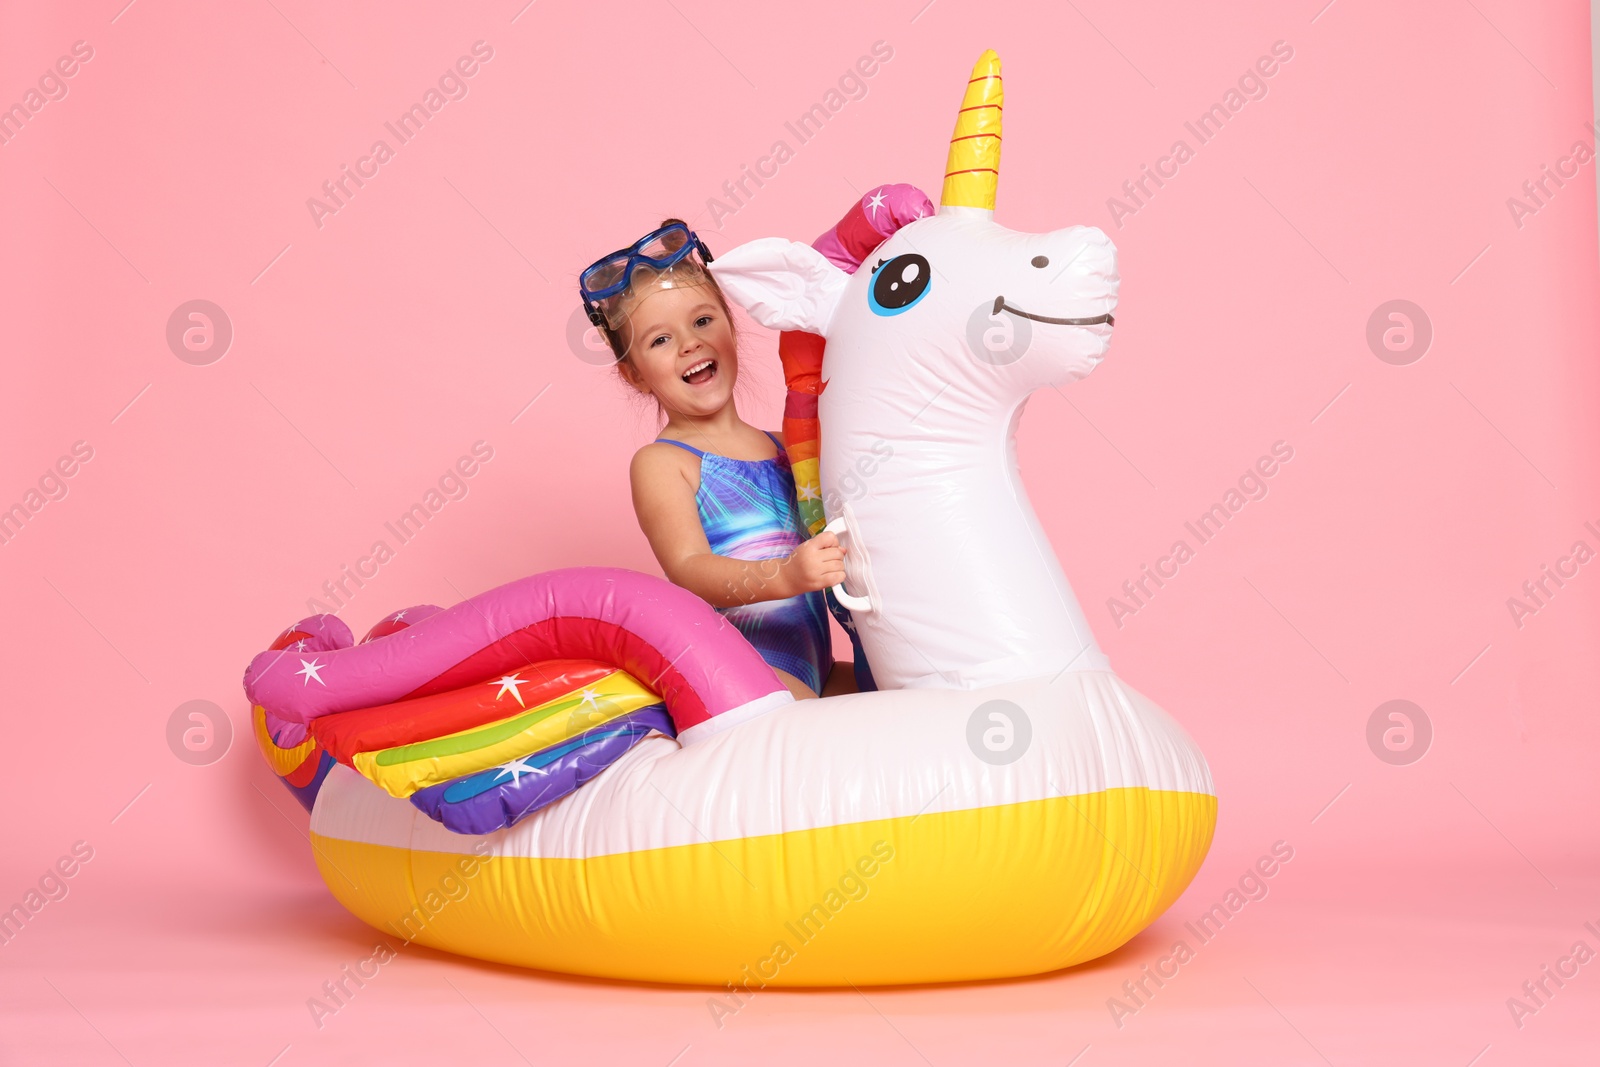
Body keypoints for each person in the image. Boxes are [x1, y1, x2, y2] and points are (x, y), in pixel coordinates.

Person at [579, 219, 856, 701]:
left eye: (703, 321)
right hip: (744, 666)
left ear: (731, 327)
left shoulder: (788, 445)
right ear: (635, 375)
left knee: (902, 701)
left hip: (820, 667)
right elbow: (689, 567)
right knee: (822, 737)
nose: (690, 343)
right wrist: (785, 575)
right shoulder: (665, 463)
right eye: (660, 340)